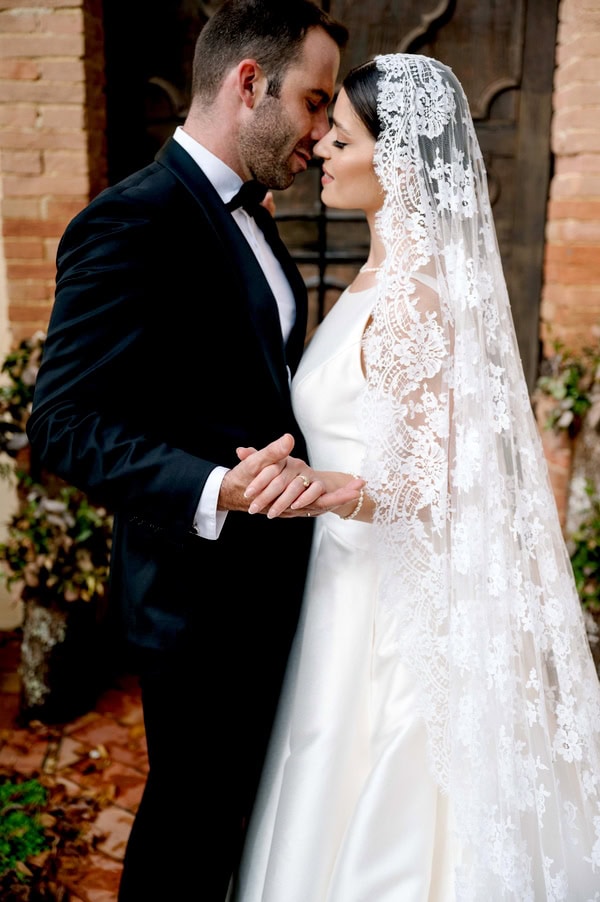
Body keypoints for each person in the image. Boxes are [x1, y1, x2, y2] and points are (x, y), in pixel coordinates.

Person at [233, 54, 600, 900]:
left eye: (343, 139)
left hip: (391, 604)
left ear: (396, 160)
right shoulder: (373, 282)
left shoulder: (417, 297)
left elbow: (438, 484)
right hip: (340, 582)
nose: (321, 150)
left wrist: (330, 489)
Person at [25, 2, 354, 899]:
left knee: (240, 829)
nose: (321, 132)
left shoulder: (251, 212)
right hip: (198, 601)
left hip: (278, 588)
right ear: (250, 83)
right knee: (186, 839)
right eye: (314, 102)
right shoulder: (131, 220)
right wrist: (219, 488)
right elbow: (61, 422)